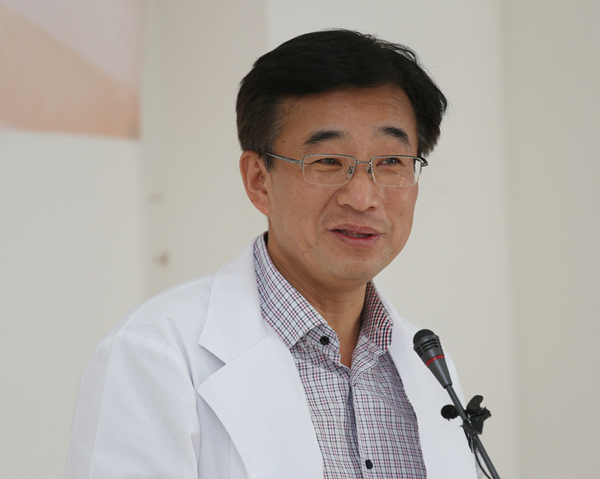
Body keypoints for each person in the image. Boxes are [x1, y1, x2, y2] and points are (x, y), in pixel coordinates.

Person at [64, 30, 478, 479]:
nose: (363, 197)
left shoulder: (426, 366)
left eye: (391, 162)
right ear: (259, 180)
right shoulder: (155, 353)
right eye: (327, 161)